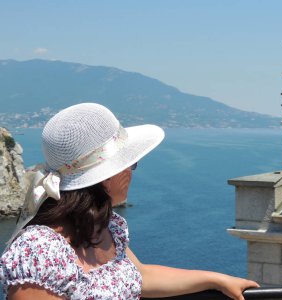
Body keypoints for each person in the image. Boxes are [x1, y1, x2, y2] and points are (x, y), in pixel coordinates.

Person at [0, 103, 259, 300]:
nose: (133, 170)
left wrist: (216, 279)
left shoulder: (106, 227)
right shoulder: (40, 251)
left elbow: (141, 275)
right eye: (129, 163)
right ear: (104, 177)